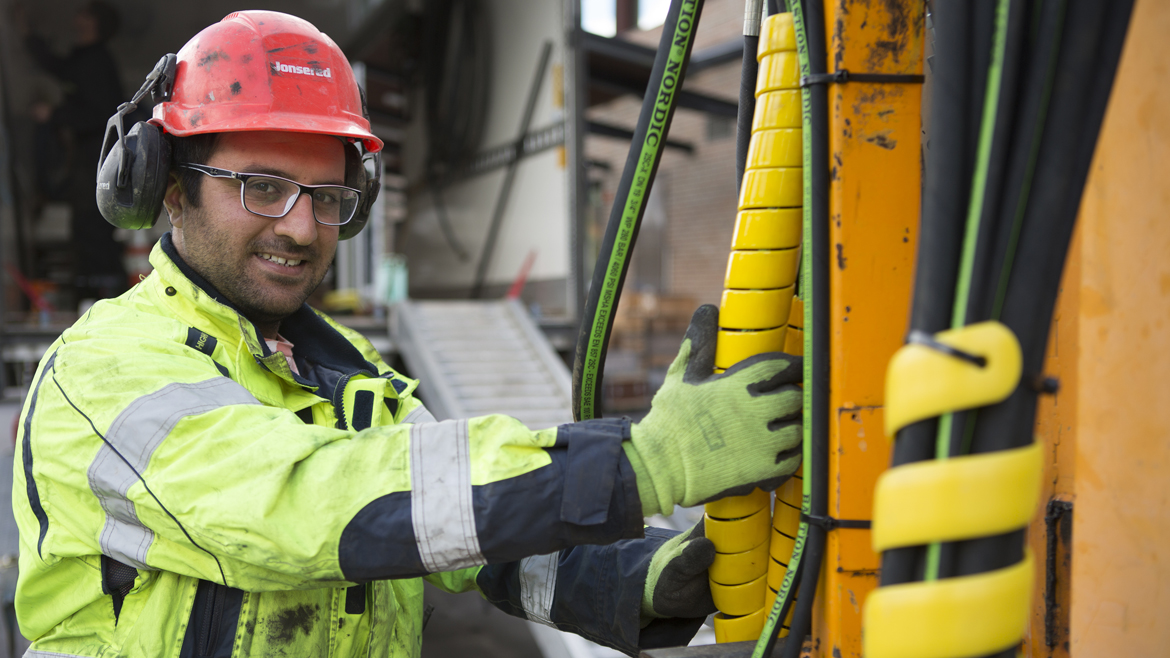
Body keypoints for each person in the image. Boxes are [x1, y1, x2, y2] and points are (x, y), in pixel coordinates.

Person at [12, 11, 803, 658]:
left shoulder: (344, 373)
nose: (301, 226)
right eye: (262, 187)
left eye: (327, 196)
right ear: (168, 188)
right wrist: (642, 462)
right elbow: (302, 504)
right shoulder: (106, 368)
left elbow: (458, 530)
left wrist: (633, 578)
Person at [22, 1, 129, 301]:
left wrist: (54, 116)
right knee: (85, 226)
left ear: (92, 22)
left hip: (98, 160)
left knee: (93, 226)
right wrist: (28, 35)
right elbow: (59, 68)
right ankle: (93, 292)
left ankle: (105, 294)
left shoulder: (97, 62)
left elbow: (100, 113)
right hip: (87, 160)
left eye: (83, 13)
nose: (75, 17)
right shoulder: (83, 58)